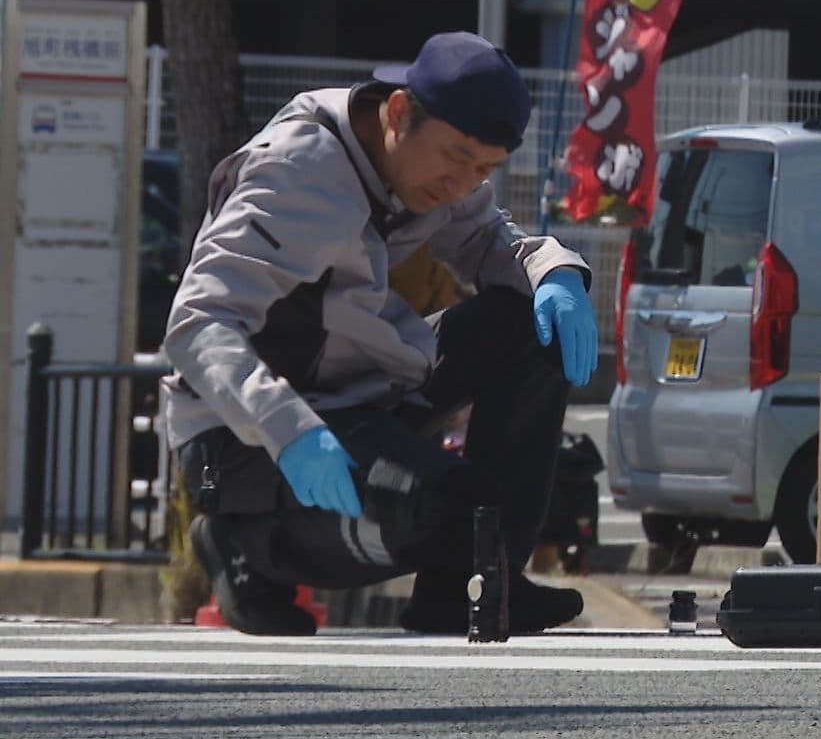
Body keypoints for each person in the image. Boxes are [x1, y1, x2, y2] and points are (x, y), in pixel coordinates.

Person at [163, 31, 600, 637]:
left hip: (361, 389)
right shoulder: (296, 173)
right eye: (457, 157)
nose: (462, 184)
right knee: (440, 506)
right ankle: (245, 547)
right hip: (249, 437)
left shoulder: (428, 167)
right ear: (397, 112)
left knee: (530, 324)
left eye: (484, 169)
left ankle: (477, 583)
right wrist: (290, 431)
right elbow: (197, 324)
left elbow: (487, 240)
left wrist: (555, 272)